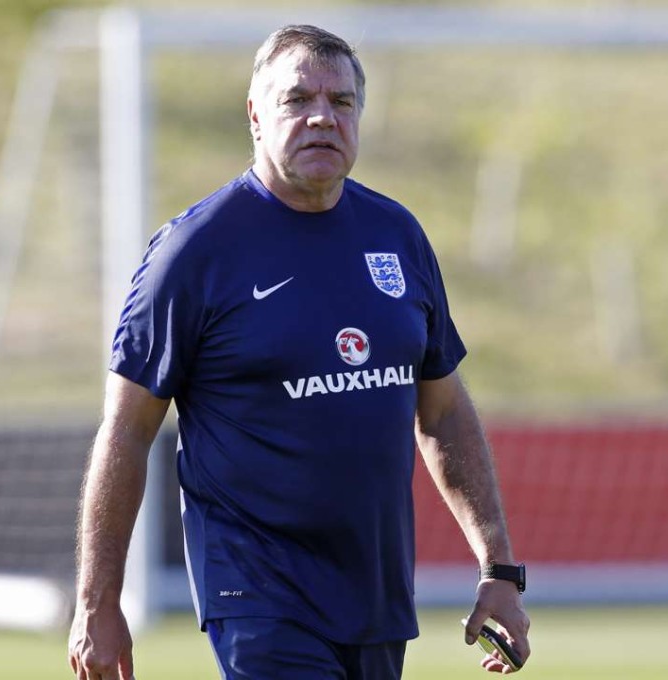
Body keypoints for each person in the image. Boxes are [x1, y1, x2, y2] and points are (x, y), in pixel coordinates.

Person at [68, 24, 531, 680]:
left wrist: (498, 568)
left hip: (376, 597)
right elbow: (126, 429)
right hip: (258, 594)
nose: (322, 117)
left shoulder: (396, 234)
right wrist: (98, 602)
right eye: (297, 100)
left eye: (341, 102)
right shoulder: (195, 252)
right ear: (256, 115)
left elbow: (444, 412)